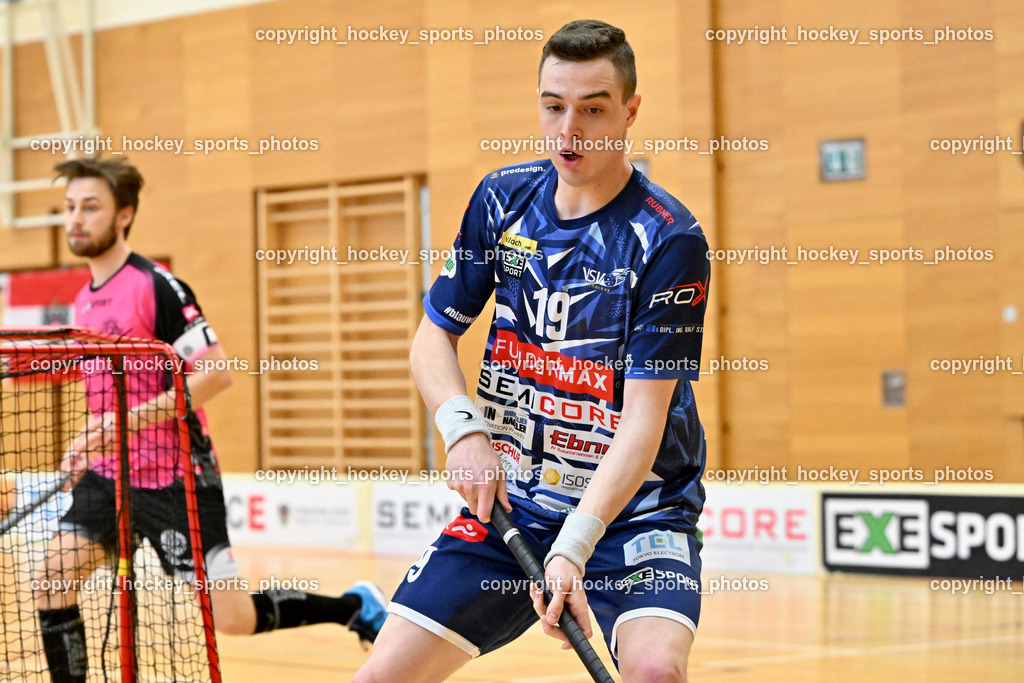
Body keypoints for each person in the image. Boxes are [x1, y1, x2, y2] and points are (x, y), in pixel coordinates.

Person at [355, 19, 709, 683]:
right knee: (380, 677)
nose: (568, 130)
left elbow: (644, 418)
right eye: (553, 107)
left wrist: (576, 545)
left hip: (634, 516)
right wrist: (463, 432)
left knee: (656, 671)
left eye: (593, 109)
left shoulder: (668, 240)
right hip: (511, 510)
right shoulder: (502, 200)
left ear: (631, 111)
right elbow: (433, 335)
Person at [34, 156, 387, 683]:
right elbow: (109, 400)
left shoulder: (156, 286)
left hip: (176, 479)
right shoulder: (83, 301)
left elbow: (216, 373)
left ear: (124, 215)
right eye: (68, 208)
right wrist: (90, 441)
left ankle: (352, 606)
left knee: (233, 618)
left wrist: (124, 425)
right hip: (110, 476)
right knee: (52, 581)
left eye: (90, 207)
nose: (75, 220)